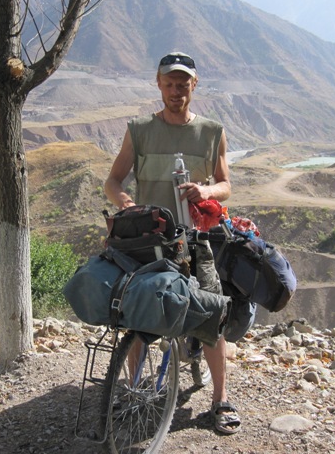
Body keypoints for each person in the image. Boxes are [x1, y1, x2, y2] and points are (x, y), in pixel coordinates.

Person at [104, 52, 241, 435]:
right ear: (159, 84)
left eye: (183, 84)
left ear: (194, 86)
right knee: (137, 312)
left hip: (195, 240)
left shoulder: (212, 132)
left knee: (211, 314)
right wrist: (126, 205)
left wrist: (206, 190)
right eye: (169, 84)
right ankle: (134, 388)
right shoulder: (139, 130)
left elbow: (226, 185)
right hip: (148, 242)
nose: (176, 91)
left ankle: (220, 400)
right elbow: (113, 181)